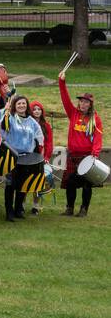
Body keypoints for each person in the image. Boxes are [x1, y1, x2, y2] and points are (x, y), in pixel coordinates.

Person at [57, 70, 102, 217]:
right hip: (73, 155)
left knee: (87, 184)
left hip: (88, 157)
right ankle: (69, 208)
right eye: (81, 101)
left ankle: (84, 209)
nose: (82, 104)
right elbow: (65, 98)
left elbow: (97, 138)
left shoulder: (95, 119)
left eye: (86, 102)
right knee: (70, 182)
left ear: (90, 104)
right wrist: (61, 82)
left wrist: (95, 154)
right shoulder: (73, 113)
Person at [0, 93, 43, 222]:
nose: (22, 105)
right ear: (14, 106)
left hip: (27, 157)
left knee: (23, 184)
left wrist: (38, 148)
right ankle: (9, 212)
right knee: (10, 184)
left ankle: (18, 209)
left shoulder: (31, 121)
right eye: (19, 103)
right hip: (12, 155)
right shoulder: (10, 118)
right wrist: (6, 113)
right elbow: (2, 128)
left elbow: (38, 136)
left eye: (24, 103)